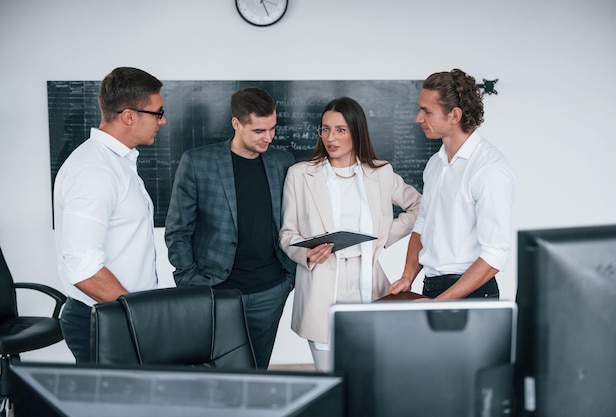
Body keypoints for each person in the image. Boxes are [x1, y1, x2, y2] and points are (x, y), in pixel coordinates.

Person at [279, 96, 421, 372]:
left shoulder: (380, 173)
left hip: (368, 285)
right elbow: (287, 233)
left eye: (340, 130)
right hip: (321, 287)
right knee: (331, 378)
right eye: (325, 129)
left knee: (370, 375)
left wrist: (382, 239)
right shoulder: (299, 175)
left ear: (356, 132)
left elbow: (419, 207)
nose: (331, 137)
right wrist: (305, 253)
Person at [164, 87, 295, 369]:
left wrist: (290, 278)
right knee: (214, 373)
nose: (268, 137)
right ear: (236, 124)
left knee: (257, 370)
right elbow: (178, 230)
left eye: (272, 128)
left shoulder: (282, 162)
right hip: (215, 291)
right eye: (259, 130)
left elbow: (294, 221)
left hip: (271, 290)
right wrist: (190, 281)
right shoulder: (198, 162)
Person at [54, 67, 165, 362]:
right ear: (129, 115)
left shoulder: (118, 163)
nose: (163, 120)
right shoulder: (94, 171)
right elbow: (83, 269)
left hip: (120, 313)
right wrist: (139, 315)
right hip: (106, 319)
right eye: (158, 112)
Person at [389, 69, 516, 300]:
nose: (418, 118)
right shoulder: (435, 164)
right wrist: (408, 277)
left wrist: (440, 303)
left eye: (427, 112)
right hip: (433, 288)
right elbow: (422, 225)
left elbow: (495, 255)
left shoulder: (489, 169)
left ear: (454, 116)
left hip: (472, 293)